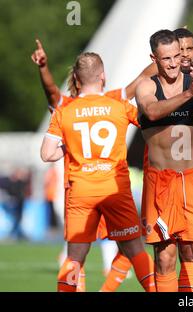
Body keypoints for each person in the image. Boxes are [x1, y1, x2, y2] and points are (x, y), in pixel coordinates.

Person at [32, 39, 156, 292]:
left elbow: (47, 154)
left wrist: (71, 146)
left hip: (81, 191)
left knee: (74, 258)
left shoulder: (65, 110)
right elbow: (151, 124)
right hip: (115, 188)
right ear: (103, 76)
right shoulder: (119, 104)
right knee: (135, 252)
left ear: (77, 79)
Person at [136, 29, 193, 292]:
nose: (174, 63)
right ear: (154, 58)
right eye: (166, 59)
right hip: (160, 183)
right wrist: (187, 95)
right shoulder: (147, 86)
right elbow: (151, 112)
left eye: (177, 56)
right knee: (165, 259)